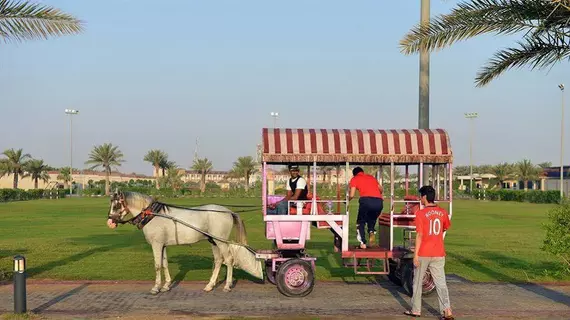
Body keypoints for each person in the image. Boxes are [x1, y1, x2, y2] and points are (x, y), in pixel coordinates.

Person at [404, 185, 454, 320]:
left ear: (425, 197)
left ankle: (416, 310)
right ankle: (447, 310)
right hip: (438, 252)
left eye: (421, 196)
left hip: (424, 253)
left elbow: (419, 235)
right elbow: (445, 227)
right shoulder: (442, 212)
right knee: (441, 283)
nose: (420, 198)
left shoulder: (420, 213)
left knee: (417, 282)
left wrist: (415, 255)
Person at [348, 167, 383, 249]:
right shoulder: (371, 177)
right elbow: (381, 189)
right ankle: (371, 233)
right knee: (371, 220)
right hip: (379, 202)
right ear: (363, 172)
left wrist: (346, 200)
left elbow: (352, 195)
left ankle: (363, 243)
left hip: (366, 201)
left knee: (360, 222)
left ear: (354, 174)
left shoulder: (355, 179)